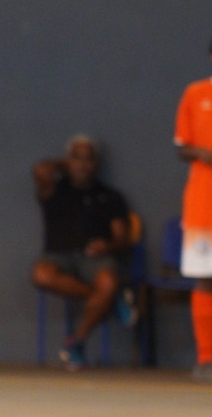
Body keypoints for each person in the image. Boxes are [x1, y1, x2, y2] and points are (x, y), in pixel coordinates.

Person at [31, 136, 135, 371]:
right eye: (76, 158)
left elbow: (122, 238)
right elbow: (40, 170)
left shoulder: (110, 196)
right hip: (59, 256)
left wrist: (106, 246)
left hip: (95, 259)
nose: (83, 164)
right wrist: (63, 164)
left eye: (88, 159)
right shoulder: (54, 190)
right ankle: (110, 302)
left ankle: (76, 343)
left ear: (96, 164)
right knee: (41, 275)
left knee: (108, 283)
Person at [174, 26, 212, 384]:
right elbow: (181, 146)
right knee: (207, 280)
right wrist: (199, 153)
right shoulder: (196, 94)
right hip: (206, 203)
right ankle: (206, 359)